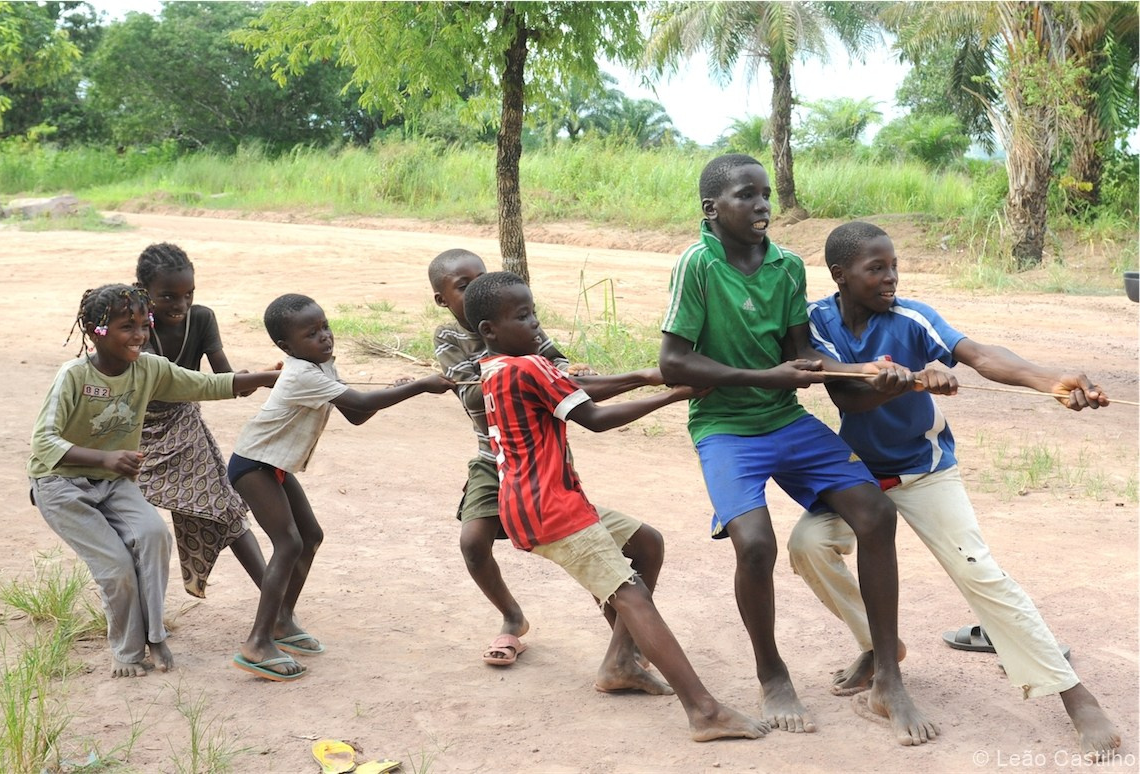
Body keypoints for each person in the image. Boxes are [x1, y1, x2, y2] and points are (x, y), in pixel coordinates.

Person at [787, 220, 1121, 760]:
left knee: (978, 571)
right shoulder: (816, 323)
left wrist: (1049, 381)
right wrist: (911, 380)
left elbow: (981, 355)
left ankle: (1075, 696)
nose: (891, 277)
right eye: (876, 268)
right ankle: (878, 649)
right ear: (840, 275)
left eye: (894, 266)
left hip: (925, 469)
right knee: (807, 546)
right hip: (859, 478)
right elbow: (846, 395)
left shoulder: (911, 318)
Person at [657, 153, 938, 746]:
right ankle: (772, 674)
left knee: (876, 513)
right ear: (712, 208)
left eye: (765, 193)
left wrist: (876, 372)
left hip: (784, 419)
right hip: (724, 426)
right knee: (755, 544)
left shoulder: (786, 266)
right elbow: (674, 362)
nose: (762, 204)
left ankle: (887, 678)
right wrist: (765, 377)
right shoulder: (697, 264)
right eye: (745, 195)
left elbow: (801, 356)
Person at [462, 270, 768, 742]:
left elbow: (571, 390)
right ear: (489, 329)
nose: (535, 323)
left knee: (646, 544)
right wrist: (671, 396)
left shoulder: (495, 368)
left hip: (537, 501)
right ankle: (704, 711)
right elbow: (593, 417)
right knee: (631, 593)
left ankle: (621, 663)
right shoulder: (528, 367)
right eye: (522, 316)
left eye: (533, 312)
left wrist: (642, 377)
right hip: (550, 509)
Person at [428, 248, 666, 672]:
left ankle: (624, 648)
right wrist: (517, 370)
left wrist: (527, 371)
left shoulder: (518, 324)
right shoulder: (451, 337)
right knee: (473, 542)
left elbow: (562, 377)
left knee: (591, 547)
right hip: (491, 457)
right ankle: (512, 617)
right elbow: (474, 396)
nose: (477, 288)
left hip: (537, 459)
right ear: (442, 299)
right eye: (464, 286)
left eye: (482, 277)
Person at [28, 284, 280, 678]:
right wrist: (106, 457)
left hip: (113, 482)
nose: (139, 335)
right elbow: (44, 442)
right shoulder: (74, 375)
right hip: (60, 485)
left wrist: (266, 378)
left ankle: (156, 635)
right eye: (127, 327)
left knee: (154, 536)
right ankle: (128, 653)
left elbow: (205, 384)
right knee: (116, 567)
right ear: (96, 330)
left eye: (144, 325)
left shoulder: (149, 369)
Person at [228, 293, 455, 682]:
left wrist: (398, 389)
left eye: (325, 327)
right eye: (311, 333)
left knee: (310, 536)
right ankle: (257, 642)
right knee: (289, 543)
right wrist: (419, 386)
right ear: (286, 346)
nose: (324, 337)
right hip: (253, 464)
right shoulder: (301, 374)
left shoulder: (322, 367)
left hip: (274, 464)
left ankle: (281, 621)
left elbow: (356, 414)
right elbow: (362, 402)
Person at [134, 242, 268, 599]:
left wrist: (255, 379)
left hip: (183, 425)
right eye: (168, 296)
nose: (181, 305)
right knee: (131, 520)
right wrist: (243, 381)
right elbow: (161, 378)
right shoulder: (135, 325)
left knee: (226, 510)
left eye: (188, 294)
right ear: (143, 291)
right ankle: (140, 611)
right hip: (134, 431)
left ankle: (278, 604)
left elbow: (225, 379)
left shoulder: (202, 319)